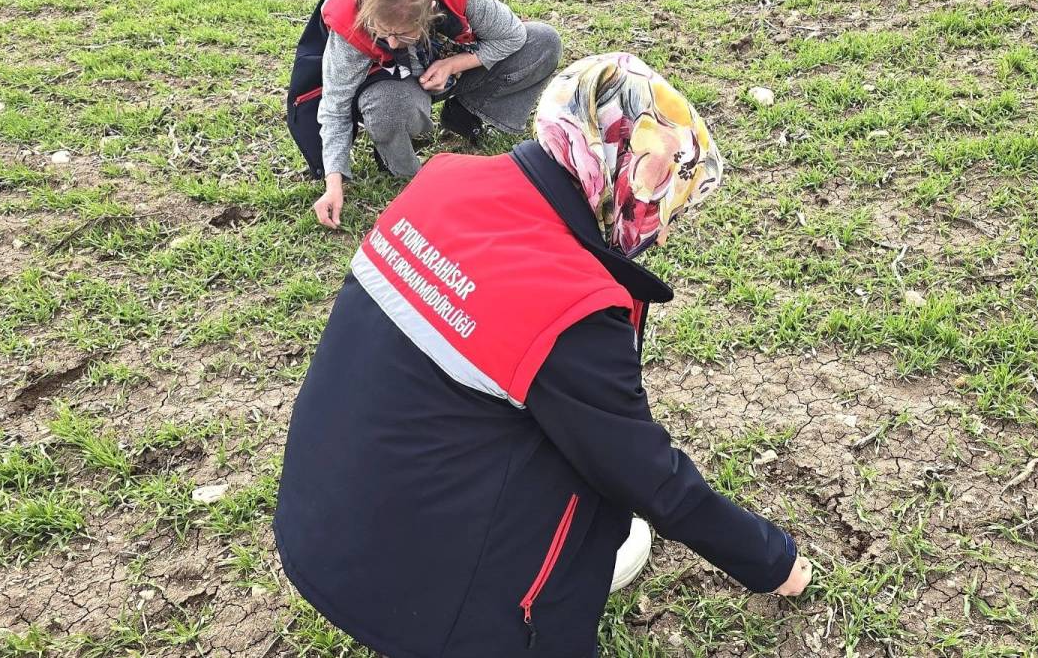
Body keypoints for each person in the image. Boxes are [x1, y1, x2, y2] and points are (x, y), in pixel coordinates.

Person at [273, 53, 812, 658]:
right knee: (596, 471)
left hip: (318, 527)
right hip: (415, 607)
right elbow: (648, 476)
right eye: (664, 198)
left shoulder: (444, 177)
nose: (662, 228)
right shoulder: (570, 302)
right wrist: (773, 560)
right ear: (626, 172)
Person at [283, 0, 562, 228]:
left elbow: (513, 36)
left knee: (543, 42)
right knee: (387, 107)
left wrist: (453, 64)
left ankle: (465, 113)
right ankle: (402, 166)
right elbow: (335, 106)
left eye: (403, 34)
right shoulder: (352, 26)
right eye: (383, 32)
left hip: (446, 66)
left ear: (431, 10)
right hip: (393, 86)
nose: (392, 43)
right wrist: (333, 184)